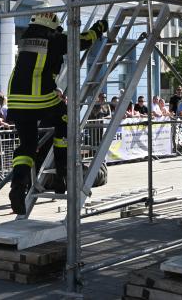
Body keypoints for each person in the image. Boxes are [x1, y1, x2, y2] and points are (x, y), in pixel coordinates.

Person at [7, 12, 107, 214]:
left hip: (16, 99)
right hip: (39, 97)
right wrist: (100, 26)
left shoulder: (26, 37)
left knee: (27, 145)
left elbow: (36, 68)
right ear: (52, 25)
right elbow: (83, 40)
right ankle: (62, 169)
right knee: (66, 117)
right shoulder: (54, 38)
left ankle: (17, 186)